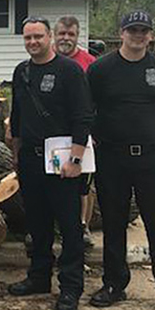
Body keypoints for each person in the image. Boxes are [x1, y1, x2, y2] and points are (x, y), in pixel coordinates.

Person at [87, 10, 155, 310]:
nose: (138, 35)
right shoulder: (101, 69)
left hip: (152, 159)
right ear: (121, 33)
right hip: (112, 158)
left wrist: (147, 135)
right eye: (132, 29)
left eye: (144, 30)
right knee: (114, 225)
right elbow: (89, 109)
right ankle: (115, 285)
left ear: (151, 35)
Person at [7, 17, 93, 310]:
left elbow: (83, 116)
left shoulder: (69, 71)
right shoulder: (22, 71)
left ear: (50, 38)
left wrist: (76, 159)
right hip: (30, 159)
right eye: (28, 37)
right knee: (37, 224)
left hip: (62, 161)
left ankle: (70, 287)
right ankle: (39, 277)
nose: (33, 42)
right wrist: (16, 153)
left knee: (69, 227)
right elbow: (16, 116)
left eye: (38, 37)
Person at [53, 16, 98, 248]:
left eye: (71, 34)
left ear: (78, 36)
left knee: (83, 184)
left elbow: (98, 100)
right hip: (50, 135)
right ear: (54, 34)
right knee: (51, 183)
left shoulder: (90, 62)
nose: (66, 38)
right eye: (62, 33)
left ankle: (83, 225)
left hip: (81, 132)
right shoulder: (44, 57)